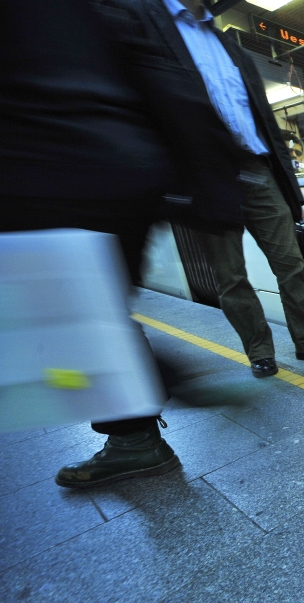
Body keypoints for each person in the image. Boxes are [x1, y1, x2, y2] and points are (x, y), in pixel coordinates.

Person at [104, 0, 304, 380]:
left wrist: (293, 193)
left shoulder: (232, 47)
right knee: (231, 276)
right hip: (206, 175)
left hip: (259, 167)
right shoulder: (147, 23)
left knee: (291, 264)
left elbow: (266, 123)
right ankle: (260, 351)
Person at [0, 0, 180, 488]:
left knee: (62, 324)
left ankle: (138, 422)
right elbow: (159, 70)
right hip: (121, 162)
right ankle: (137, 421)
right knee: (94, 313)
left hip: (37, 163)